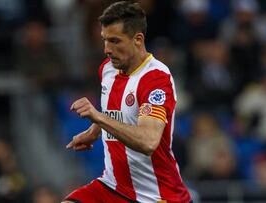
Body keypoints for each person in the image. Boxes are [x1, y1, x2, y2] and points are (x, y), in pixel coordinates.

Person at [62, 1, 192, 203]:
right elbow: (115, 111)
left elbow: (148, 141)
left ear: (138, 39)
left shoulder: (156, 79)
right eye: (105, 40)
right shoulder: (107, 69)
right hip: (113, 187)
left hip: (156, 196)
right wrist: (92, 132)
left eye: (115, 41)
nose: (107, 49)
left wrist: (97, 116)